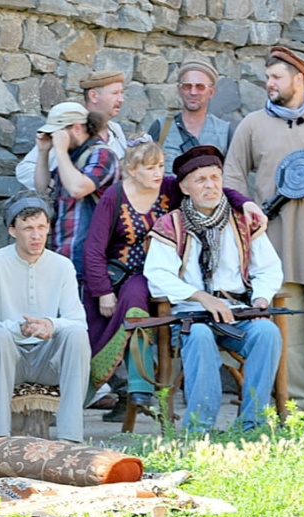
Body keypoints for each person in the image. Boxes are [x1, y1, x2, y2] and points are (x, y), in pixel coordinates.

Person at [83, 137, 267, 422]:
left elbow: (213, 189)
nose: (157, 173)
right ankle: (140, 387)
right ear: (131, 170)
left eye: (160, 166)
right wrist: (103, 291)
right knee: (133, 297)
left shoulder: (168, 187)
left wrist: (247, 204)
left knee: (140, 292)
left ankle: (142, 388)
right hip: (122, 274)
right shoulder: (114, 196)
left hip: (164, 273)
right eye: (149, 168)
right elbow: (94, 247)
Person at [224, 46, 304, 415]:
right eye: (267, 78)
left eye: (276, 77)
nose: (269, 84)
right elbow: (232, 175)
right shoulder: (252, 125)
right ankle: (299, 413)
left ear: (299, 78)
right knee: (288, 340)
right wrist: (245, 210)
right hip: (275, 248)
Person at [145, 146, 284, 430]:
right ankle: (200, 428)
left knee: (267, 332)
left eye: (214, 177)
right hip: (190, 316)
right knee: (199, 335)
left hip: (237, 315)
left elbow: (268, 268)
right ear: (184, 187)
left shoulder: (244, 221)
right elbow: (157, 275)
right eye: (200, 180)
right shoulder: (171, 225)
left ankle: (253, 425)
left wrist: (260, 298)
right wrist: (201, 297)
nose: (210, 185)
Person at [0, 193, 90, 442]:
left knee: (76, 335)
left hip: (48, 360)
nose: (36, 236)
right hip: (9, 361)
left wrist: (51, 325)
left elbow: (78, 320)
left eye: (41, 228)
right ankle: (1, 437)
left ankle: (71, 438)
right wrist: (18, 329)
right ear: (13, 231)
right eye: (28, 229)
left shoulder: (62, 265)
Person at [34, 102, 120, 282]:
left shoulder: (102, 155)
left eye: (58, 132)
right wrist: (43, 152)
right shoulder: (69, 157)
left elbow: (77, 189)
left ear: (77, 128)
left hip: (89, 259)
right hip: (64, 254)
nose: (54, 137)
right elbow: (42, 189)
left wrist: (60, 150)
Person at [16, 70, 127, 190]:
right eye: (115, 93)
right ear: (93, 96)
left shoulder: (115, 130)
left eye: (121, 93)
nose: (121, 99)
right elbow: (25, 169)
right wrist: (57, 183)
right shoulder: (69, 128)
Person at [147, 58, 234, 174]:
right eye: (187, 86)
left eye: (200, 87)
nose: (193, 92)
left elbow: (232, 177)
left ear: (211, 92)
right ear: (179, 90)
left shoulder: (224, 132)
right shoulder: (161, 128)